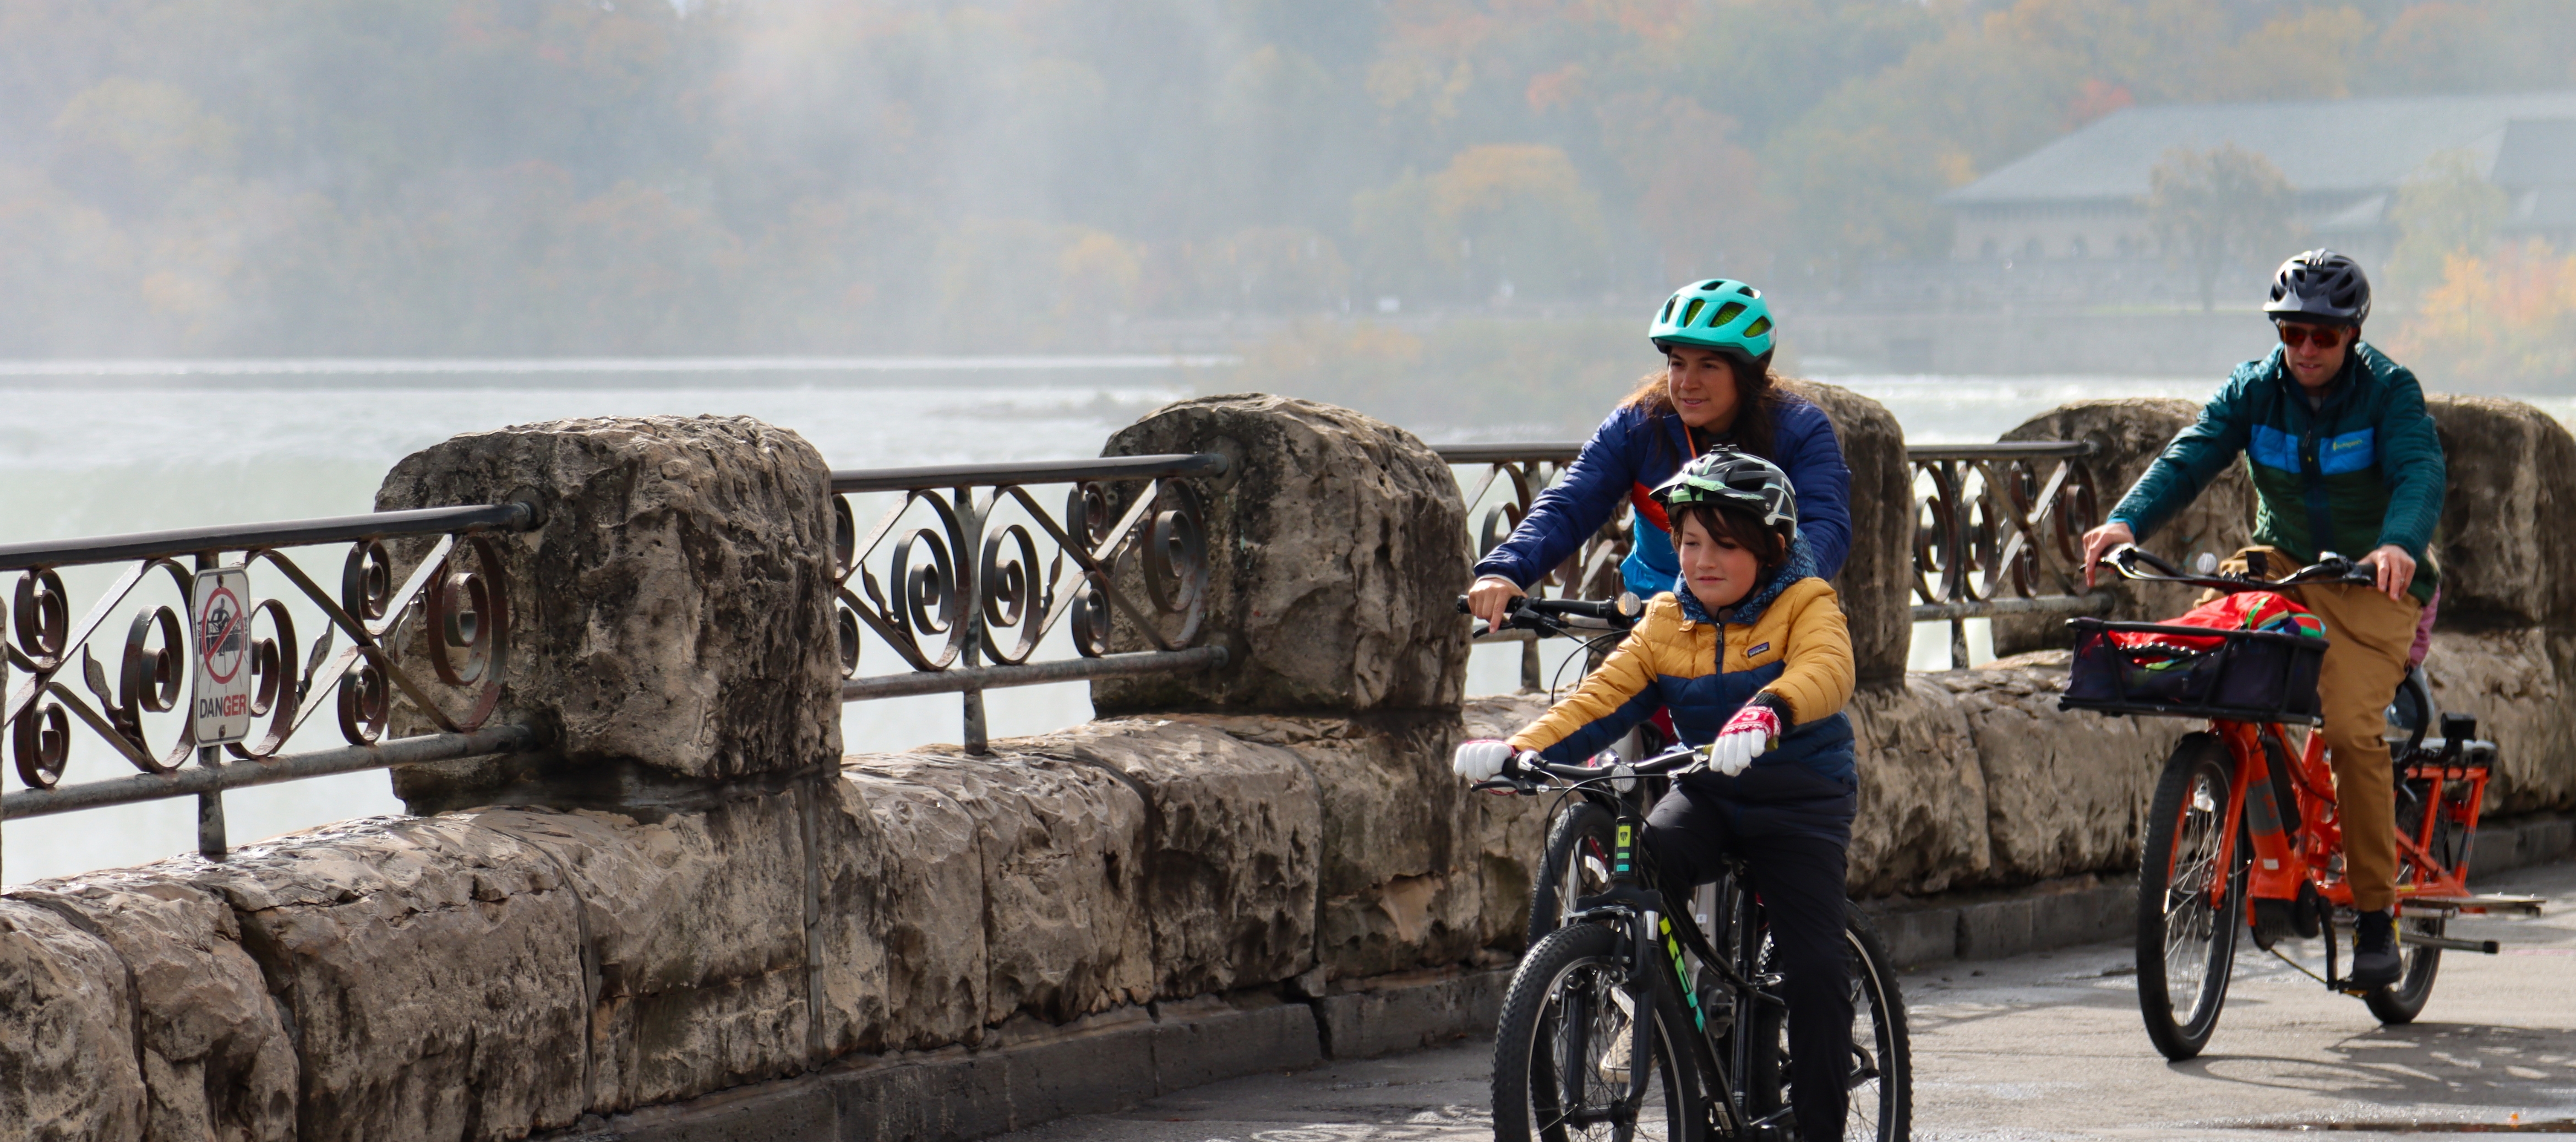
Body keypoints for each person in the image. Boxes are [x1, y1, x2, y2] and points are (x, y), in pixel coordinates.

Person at [1455, 448, 1858, 1140]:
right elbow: (1603, 700)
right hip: (1709, 791)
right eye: (1692, 541)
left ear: (1775, 548)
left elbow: (1829, 667)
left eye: (1727, 545)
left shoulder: (1806, 600)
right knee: (1637, 872)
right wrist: (1522, 750)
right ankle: (1669, 1025)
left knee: (1816, 972)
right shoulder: (1669, 616)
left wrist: (1771, 709)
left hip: (1799, 799)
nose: (1703, 560)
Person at [2080, 249, 2444, 989]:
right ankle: (2272, 860)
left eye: (2324, 336)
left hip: (2373, 581)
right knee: (2214, 659)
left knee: (2348, 727)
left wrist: (2399, 543)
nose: (2306, 349)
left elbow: (2419, 471)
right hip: (2283, 565)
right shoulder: (2255, 388)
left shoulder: (2389, 392)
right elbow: (2190, 457)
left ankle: (2378, 918)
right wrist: (2126, 523)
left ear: (2353, 335)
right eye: (2292, 334)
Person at [1465, 279, 1852, 632]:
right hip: (1655, 621)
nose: (1687, 383)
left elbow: (1825, 525)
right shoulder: (1638, 425)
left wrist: (1779, 592)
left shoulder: (1800, 430)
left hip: (1760, 622)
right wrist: (1505, 570)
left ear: (1749, 373)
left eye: (1709, 366)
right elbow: (1571, 503)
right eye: (1677, 363)